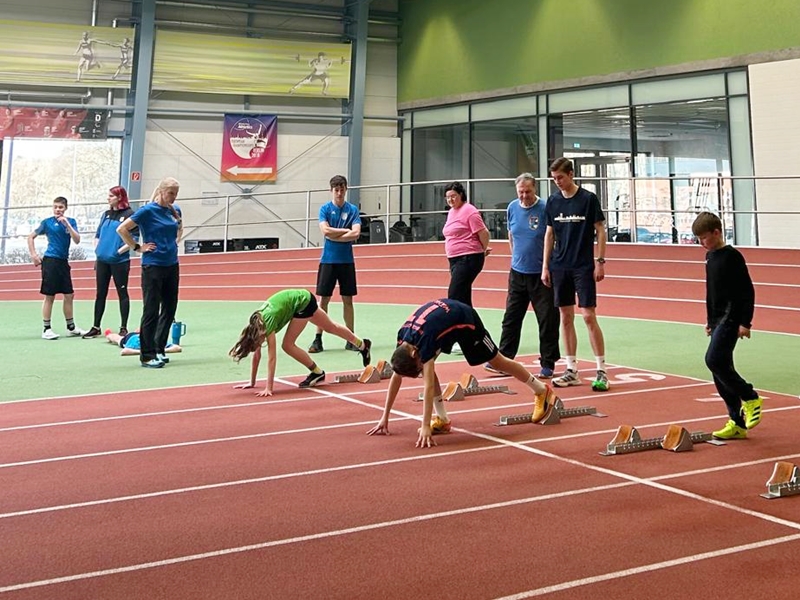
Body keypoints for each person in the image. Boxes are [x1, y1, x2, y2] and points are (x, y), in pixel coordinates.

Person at [366, 298, 558, 448]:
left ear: (414, 354)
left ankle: (541, 390)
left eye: (418, 366)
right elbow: (396, 376)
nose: (421, 368)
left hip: (466, 321)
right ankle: (442, 419)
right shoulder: (403, 340)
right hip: (444, 323)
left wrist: (425, 426)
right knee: (427, 368)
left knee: (498, 362)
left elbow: (428, 385)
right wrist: (385, 417)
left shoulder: (424, 341)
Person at [692, 212, 763, 439]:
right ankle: (737, 422)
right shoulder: (710, 257)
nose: (702, 243)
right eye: (699, 239)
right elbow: (711, 292)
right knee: (719, 369)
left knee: (713, 360)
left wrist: (745, 322)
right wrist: (710, 320)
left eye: (705, 238)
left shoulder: (732, 256)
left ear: (717, 232)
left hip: (732, 317)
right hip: (718, 319)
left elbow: (747, 290)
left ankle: (750, 397)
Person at [542, 157, 610, 392]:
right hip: (560, 266)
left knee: (588, 316)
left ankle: (601, 370)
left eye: (560, 177)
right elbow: (549, 234)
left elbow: (600, 230)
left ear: (571, 174)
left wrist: (600, 261)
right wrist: (545, 266)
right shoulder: (553, 201)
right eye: (554, 179)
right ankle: (571, 369)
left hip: (583, 266)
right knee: (565, 317)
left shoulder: (588, 199)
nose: (557, 182)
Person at [229, 289, 372, 396]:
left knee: (287, 345)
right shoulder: (255, 326)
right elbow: (257, 356)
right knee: (330, 327)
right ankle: (362, 345)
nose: (261, 345)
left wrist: (269, 388)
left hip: (302, 304)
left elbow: (272, 358)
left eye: (259, 344)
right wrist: (252, 382)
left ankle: (317, 372)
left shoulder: (266, 325)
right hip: (303, 297)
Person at [486, 173, 560, 379]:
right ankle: (504, 359)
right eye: (521, 192)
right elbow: (511, 235)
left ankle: (548, 363)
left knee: (547, 320)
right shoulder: (512, 207)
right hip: (518, 273)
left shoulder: (545, 208)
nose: (524, 195)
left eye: (528, 191)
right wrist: (515, 258)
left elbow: (552, 236)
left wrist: (546, 266)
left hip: (542, 274)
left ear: (535, 189)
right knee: (511, 318)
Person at [117, 177, 182, 369]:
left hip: (172, 264)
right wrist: (138, 247)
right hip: (153, 266)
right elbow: (122, 229)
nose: (173, 197)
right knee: (151, 310)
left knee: (169, 308)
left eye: (176, 194)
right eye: (170, 193)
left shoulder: (174, 210)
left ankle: (159, 348)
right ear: (161, 191)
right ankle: (146, 355)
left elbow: (178, 228)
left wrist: (174, 241)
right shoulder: (147, 211)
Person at [308, 175, 362, 355]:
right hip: (328, 261)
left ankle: (351, 339)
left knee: (348, 300)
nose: (339, 193)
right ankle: (318, 338)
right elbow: (325, 231)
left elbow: (356, 234)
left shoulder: (352, 210)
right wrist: (345, 231)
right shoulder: (325, 209)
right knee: (323, 300)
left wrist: (334, 235)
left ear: (346, 189)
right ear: (331, 190)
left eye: (342, 189)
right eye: (336, 190)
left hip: (346, 261)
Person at [27, 196, 86, 340]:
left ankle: (71, 327)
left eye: (60, 207)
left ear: (65, 208)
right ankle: (46, 329)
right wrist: (34, 255)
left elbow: (77, 240)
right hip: (51, 261)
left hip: (63, 262)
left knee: (69, 295)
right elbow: (30, 237)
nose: (58, 210)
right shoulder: (47, 223)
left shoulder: (71, 221)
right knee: (50, 296)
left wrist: (67, 224)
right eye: (55, 207)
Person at [82, 186, 136, 339]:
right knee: (100, 293)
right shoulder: (106, 214)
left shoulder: (130, 215)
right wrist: (98, 250)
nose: (108, 198)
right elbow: (98, 235)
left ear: (119, 197)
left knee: (122, 293)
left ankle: (123, 327)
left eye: (111, 196)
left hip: (120, 261)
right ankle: (96, 326)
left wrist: (118, 252)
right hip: (102, 261)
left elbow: (134, 239)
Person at [442, 182, 491, 308]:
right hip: (454, 259)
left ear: (461, 195)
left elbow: (484, 233)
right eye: (448, 197)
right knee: (463, 298)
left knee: (454, 295)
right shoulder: (452, 212)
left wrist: (483, 249)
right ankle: (471, 321)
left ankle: (458, 319)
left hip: (468, 258)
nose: (450, 200)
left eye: (453, 196)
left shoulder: (469, 211)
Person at [105, 328, 182, 357]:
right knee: (117, 339)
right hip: (130, 338)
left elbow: (177, 348)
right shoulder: (136, 344)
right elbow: (124, 351)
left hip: (138, 335)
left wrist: (157, 351)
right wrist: (144, 352)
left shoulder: (158, 341)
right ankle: (109, 335)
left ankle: (109, 334)